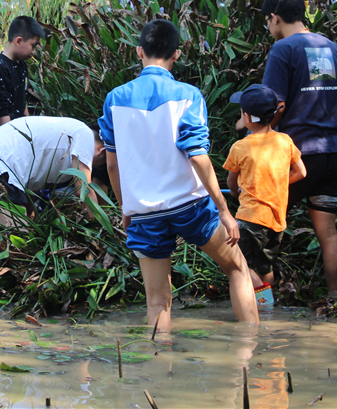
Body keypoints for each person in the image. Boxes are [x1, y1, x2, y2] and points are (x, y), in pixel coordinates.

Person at [99, 19, 258, 330]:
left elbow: (112, 164)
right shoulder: (188, 94)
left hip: (144, 212)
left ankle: (159, 374)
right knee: (237, 268)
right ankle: (251, 357)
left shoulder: (115, 99)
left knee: (157, 301)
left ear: (138, 52)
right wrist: (224, 212)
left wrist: (125, 208)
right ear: (177, 55)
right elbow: (197, 156)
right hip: (191, 206)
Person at [260, 0, 337, 297]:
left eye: (267, 22)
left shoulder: (282, 50)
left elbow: (276, 105)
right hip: (332, 152)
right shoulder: (331, 47)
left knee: (264, 229)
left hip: (298, 156)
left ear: (275, 18)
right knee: (328, 233)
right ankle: (336, 297)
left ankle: (263, 307)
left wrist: (254, 139)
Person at [224, 85, 306, 288]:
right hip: (276, 219)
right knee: (265, 267)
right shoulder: (285, 141)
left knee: (241, 264)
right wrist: (274, 181)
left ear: (247, 117)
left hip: (251, 217)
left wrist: (234, 193)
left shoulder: (240, 147)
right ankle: (269, 308)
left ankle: (256, 304)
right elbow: (301, 172)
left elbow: (231, 182)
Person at [0, 116, 103, 213]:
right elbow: (84, 191)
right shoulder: (86, 135)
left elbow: (32, 192)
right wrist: (100, 230)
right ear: (102, 151)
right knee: (16, 239)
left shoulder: (64, 147)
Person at [0, 16, 45, 133]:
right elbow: (1, 109)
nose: (34, 51)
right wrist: (11, 135)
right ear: (18, 41)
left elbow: (22, 98)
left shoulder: (21, 64)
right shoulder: (0, 67)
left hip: (18, 129)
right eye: (33, 46)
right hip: (3, 133)